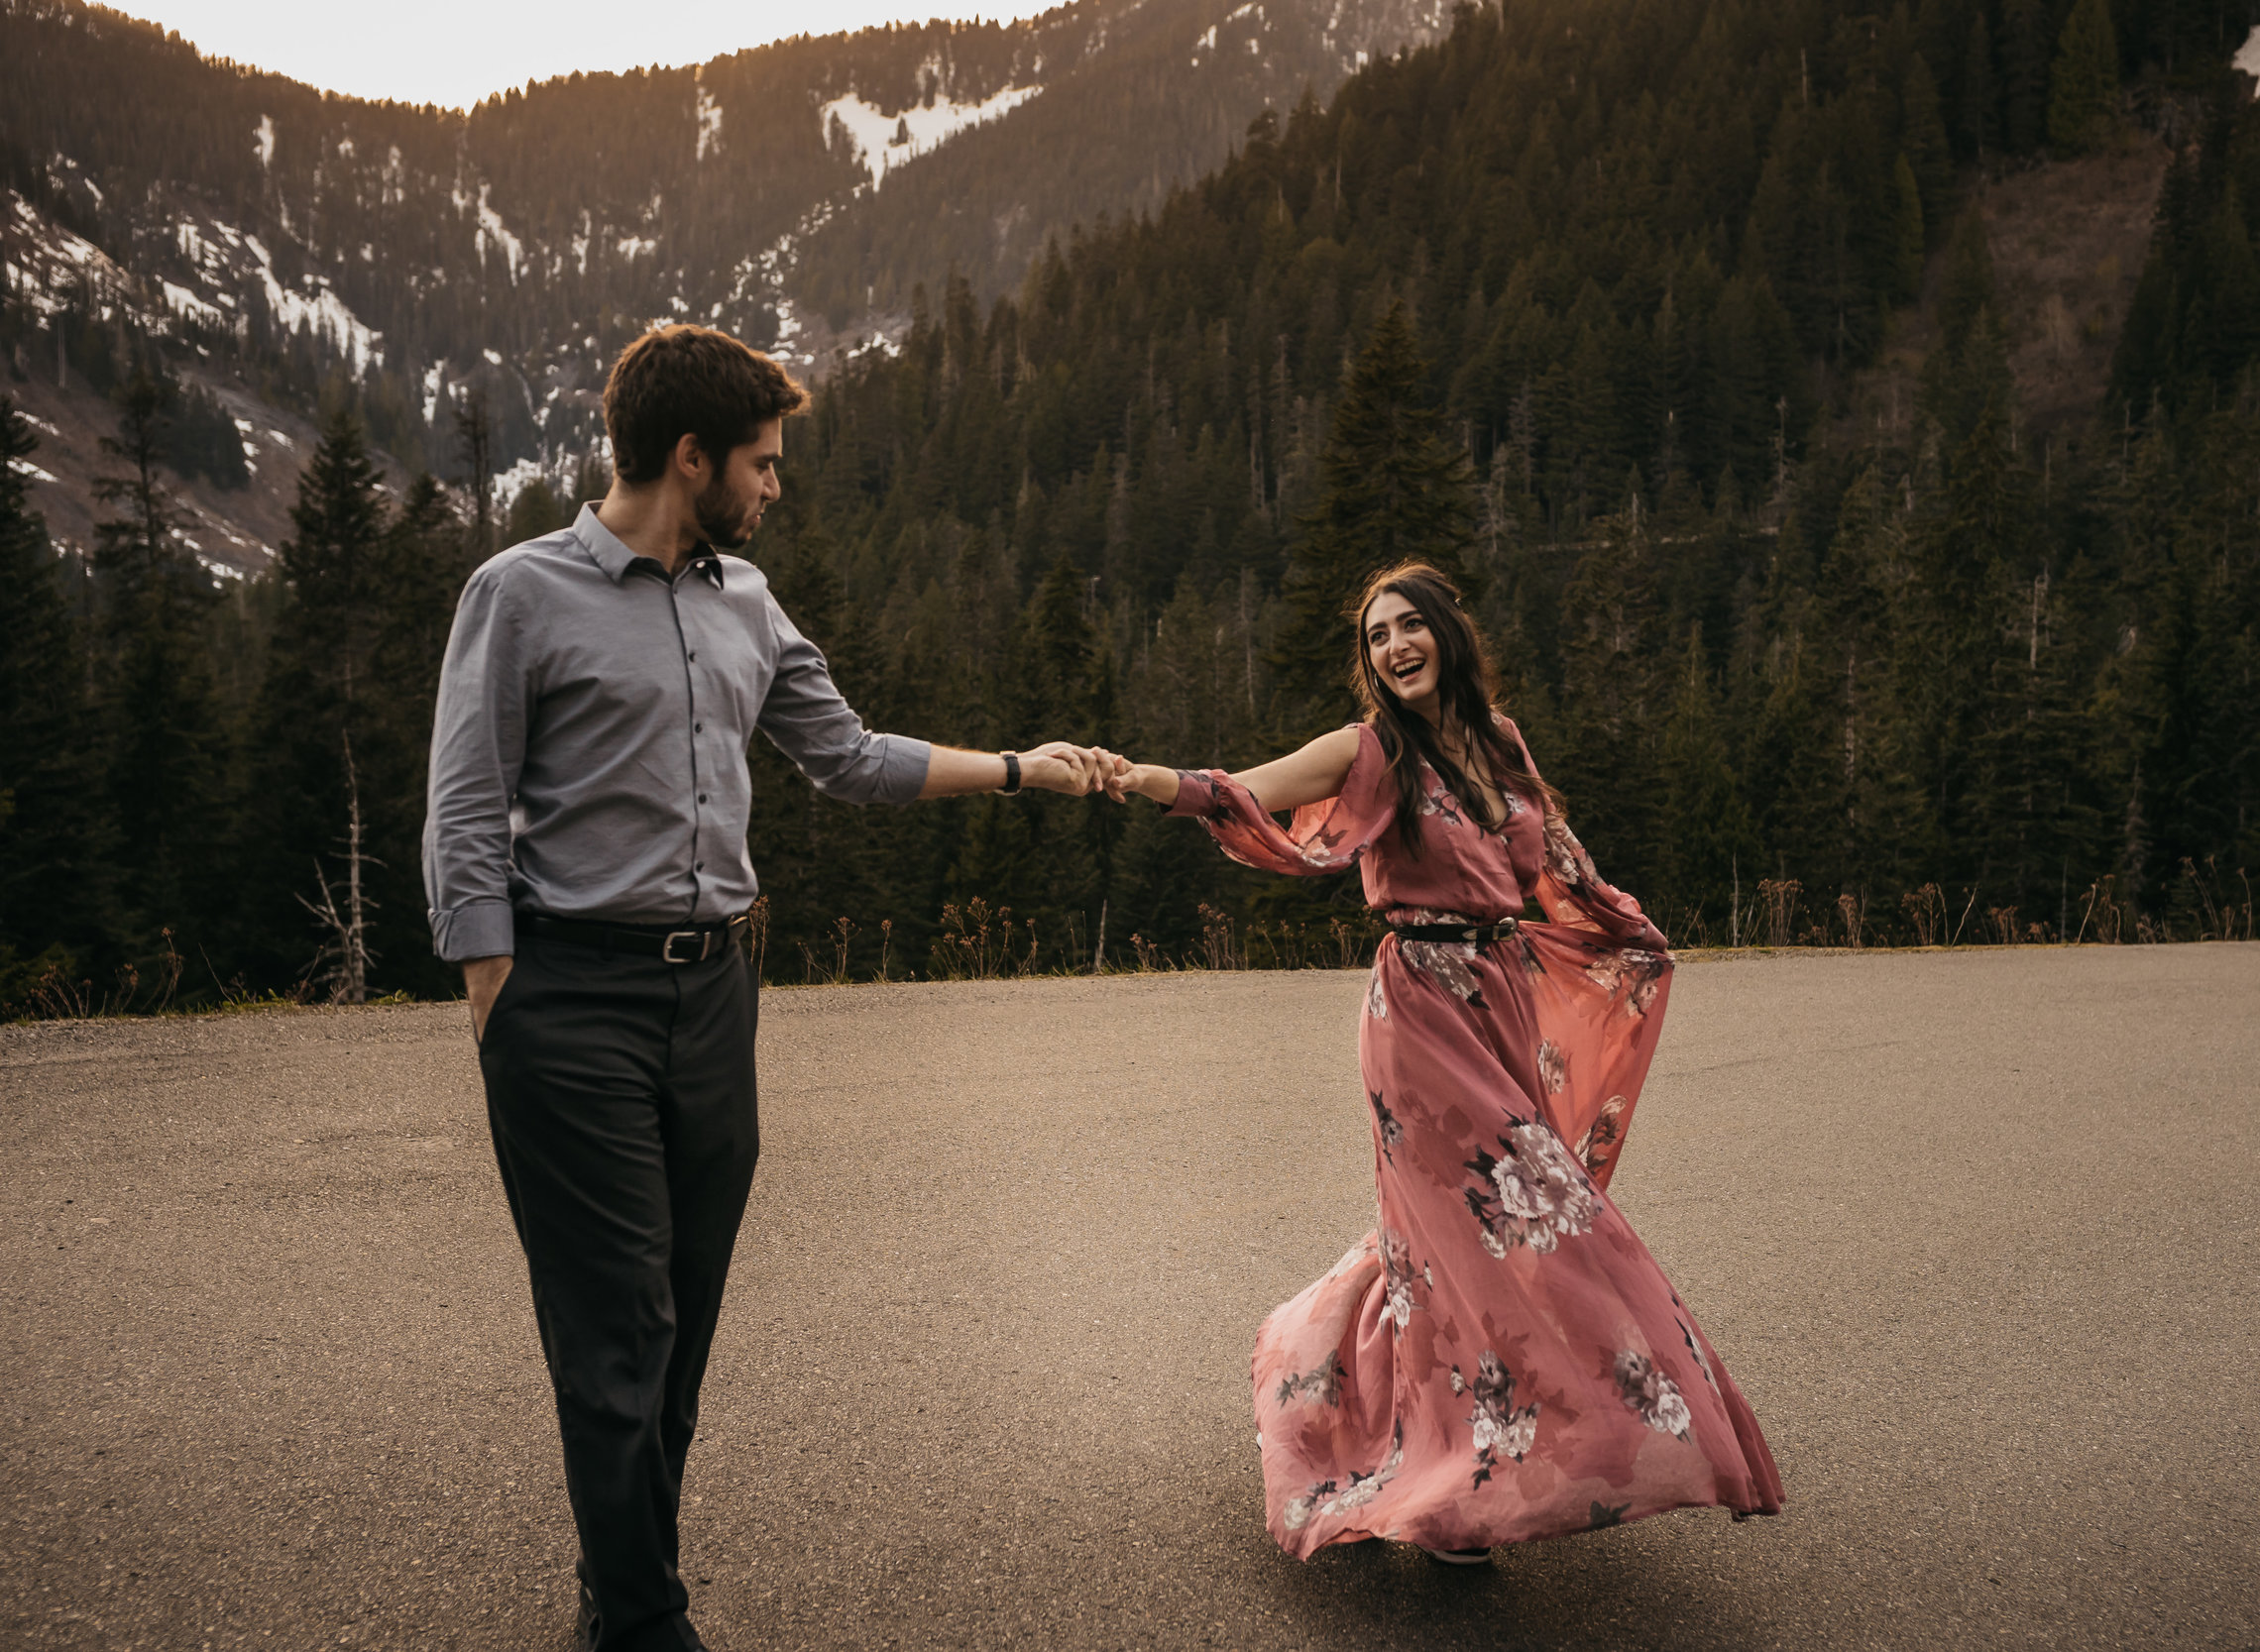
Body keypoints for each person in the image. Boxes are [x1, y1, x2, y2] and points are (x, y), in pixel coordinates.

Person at [422, 324, 1111, 1651]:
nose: (776, 486)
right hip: (569, 1001)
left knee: (678, 1310)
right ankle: (639, 1615)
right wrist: (495, 989)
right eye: (764, 461)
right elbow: (465, 801)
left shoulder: (747, 601)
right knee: (616, 1319)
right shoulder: (517, 592)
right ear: (692, 458)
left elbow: (846, 755)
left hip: (714, 998)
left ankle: (621, 1569)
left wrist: (1020, 765)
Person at [1104, 561, 1783, 1562]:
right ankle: (1461, 1471)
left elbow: (1554, 854)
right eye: (1377, 635)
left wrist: (1620, 925)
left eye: (1409, 625)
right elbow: (1242, 791)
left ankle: (1374, 1400)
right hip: (1420, 1008)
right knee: (1540, 1223)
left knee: (1451, 1244)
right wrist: (1144, 779)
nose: (1393, 647)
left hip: (1497, 992)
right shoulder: (1369, 748)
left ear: (1447, 633)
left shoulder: (1499, 740)